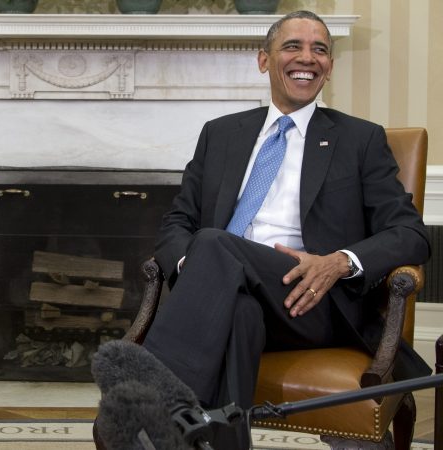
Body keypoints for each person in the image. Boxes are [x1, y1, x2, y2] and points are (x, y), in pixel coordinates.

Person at [141, 10, 431, 449]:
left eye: (320, 50)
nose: (307, 57)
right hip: (232, 296)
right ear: (264, 60)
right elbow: (178, 221)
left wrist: (339, 263)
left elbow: (410, 233)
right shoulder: (220, 135)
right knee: (234, 302)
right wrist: (200, 269)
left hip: (311, 302)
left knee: (215, 243)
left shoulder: (360, 139)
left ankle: (144, 407)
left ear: (329, 67)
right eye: (292, 46)